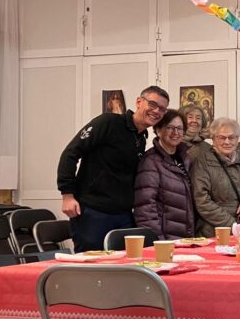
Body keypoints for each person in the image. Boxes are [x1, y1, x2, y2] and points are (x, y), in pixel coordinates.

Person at [57, 85, 169, 252]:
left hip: (123, 214)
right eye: (153, 104)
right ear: (139, 102)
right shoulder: (108, 122)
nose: (157, 111)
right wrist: (67, 195)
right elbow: (70, 153)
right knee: (92, 263)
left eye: (162, 109)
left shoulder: (141, 138)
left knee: (126, 263)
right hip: (93, 211)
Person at [134, 109, 194, 240]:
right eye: (170, 128)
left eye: (179, 128)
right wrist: (158, 241)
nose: (175, 133)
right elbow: (145, 208)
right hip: (164, 239)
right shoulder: (150, 161)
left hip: (184, 237)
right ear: (158, 130)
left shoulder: (185, 159)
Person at [192, 117, 240, 237]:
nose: (227, 142)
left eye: (231, 137)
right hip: (212, 231)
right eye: (221, 137)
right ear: (213, 139)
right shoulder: (203, 162)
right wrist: (231, 224)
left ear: (237, 139)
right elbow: (201, 200)